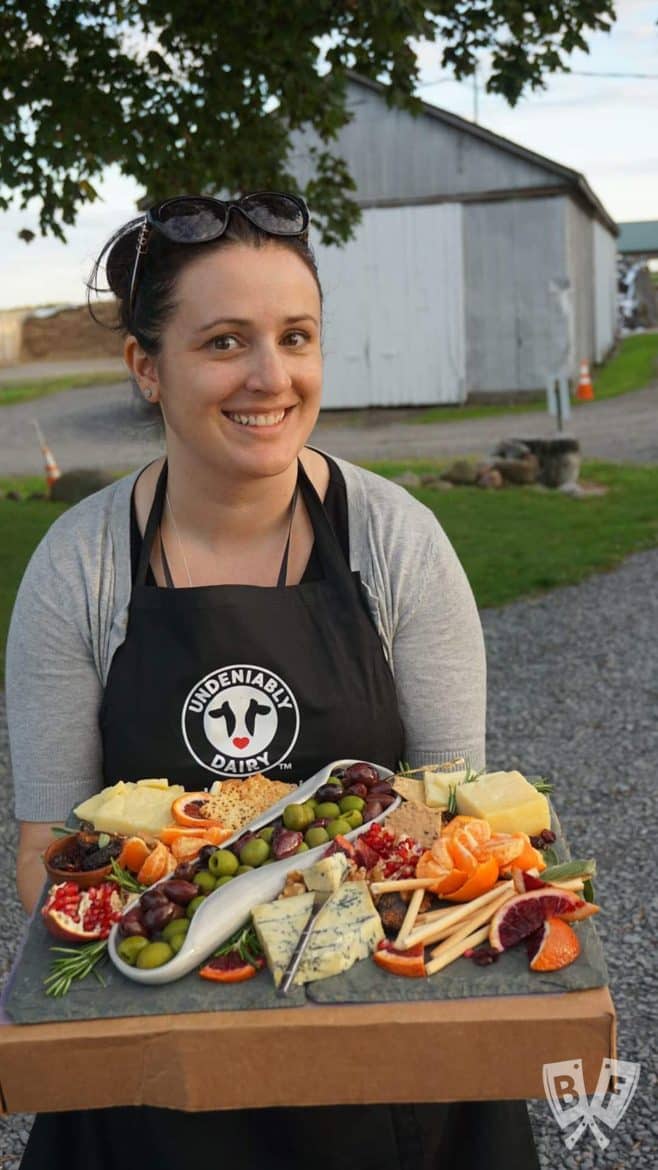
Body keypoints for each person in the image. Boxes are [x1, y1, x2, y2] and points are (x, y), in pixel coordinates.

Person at [7, 192, 538, 1169]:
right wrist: (194, 925)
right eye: (223, 342)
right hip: (157, 1073)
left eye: (296, 336)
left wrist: (304, 903)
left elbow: (458, 816)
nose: (271, 376)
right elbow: (47, 854)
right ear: (145, 368)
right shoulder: (78, 568)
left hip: (382, 1054)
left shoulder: (395, 541)